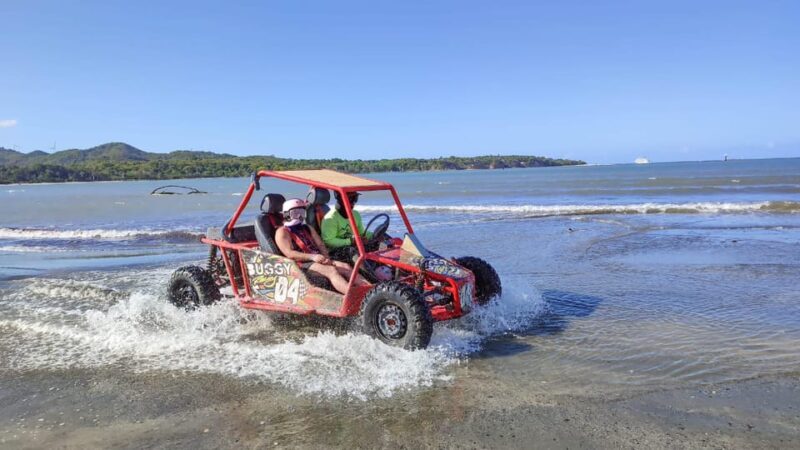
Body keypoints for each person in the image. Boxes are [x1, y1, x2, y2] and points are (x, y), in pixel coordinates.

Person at [275, 198, 365, 294]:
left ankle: (368, 289)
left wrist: (326, 257)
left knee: (345, 266)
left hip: (317, 258)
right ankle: (353, 296)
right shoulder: (282, 232)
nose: (299, 216)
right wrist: (313, 257)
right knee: (331, 271)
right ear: (286, 214)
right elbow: (289, 253)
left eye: (302, 212)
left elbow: (320, 244)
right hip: (301, 263)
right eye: (295, 213)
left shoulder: (307, 228)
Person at [320, 191, 370, 262]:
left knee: (378, 243)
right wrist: (350, 241)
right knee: (351, 252)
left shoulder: (356, 214)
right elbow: (328, 241)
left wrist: (375, 235)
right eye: (351, 198)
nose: (353, 202)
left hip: (352, 244)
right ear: (341, 199)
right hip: (335, 250)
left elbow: (361, 233)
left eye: (355, 198)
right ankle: (367, 272)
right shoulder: (330, 218)